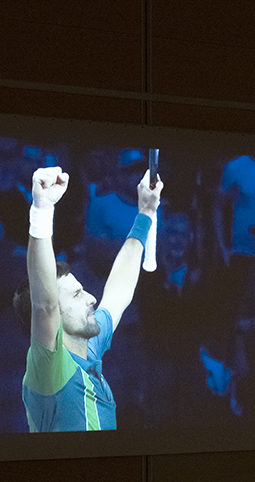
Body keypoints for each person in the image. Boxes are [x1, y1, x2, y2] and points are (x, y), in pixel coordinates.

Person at [14, 166, 162, 432]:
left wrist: (145, 215)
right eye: (77, 294)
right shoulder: (49, 367)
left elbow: (118, 292)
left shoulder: (90, 346)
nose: (92, 298)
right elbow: (45, 306)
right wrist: (41, 210)